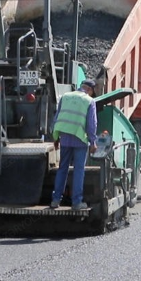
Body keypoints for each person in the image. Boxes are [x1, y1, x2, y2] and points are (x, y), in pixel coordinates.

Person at [50, 79, 98, 211]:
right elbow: (91, 124)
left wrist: (55, 138)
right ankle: (76, 203)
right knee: (78, 170)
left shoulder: (66, 97)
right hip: (80, 140)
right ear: (89, 90)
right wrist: (93, 142)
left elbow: (57, 118)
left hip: (64, 138)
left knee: (62, 168)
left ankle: (55, 200)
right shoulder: (89, 101)